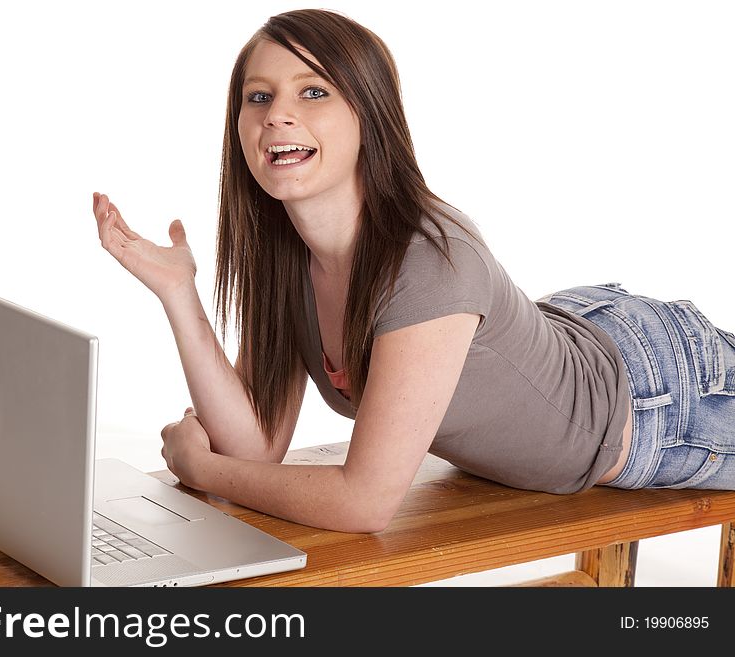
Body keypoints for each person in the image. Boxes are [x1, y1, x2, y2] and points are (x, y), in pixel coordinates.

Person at [91, 8, 735, 533]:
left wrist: (203, 472)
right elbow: (256, 445)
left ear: (369, 115)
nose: (275, 115)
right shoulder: (292, 252)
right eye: (258, 97)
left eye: (313, 91)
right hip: (566, 335)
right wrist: (179, 293)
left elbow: (363, 502)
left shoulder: (428, 262)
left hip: (658, 398)